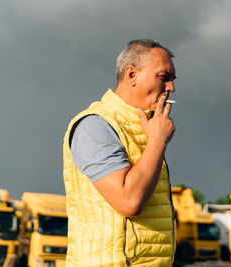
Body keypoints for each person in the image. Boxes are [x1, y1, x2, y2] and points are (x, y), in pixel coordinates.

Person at [63, 39, 177, 267]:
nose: (171, 87)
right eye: (164, 77)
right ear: (131, 74)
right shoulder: (94, 126)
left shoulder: (146, 127)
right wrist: (157, 141)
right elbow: (129, 202)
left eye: (173, 79)